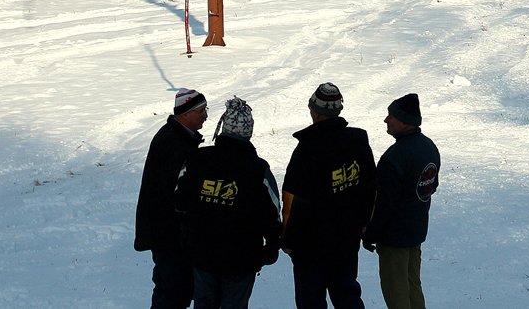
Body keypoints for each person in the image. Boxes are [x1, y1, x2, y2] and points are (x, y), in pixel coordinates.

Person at [176, 97, 283, 309]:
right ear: (248, 132)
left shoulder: (197, 160)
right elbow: (272, 212)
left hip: (202, 253)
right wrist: (272, 245)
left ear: (224, 128)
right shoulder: (258, 169)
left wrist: (187, 232)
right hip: (241, 259)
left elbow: (179, 199)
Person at [282, 83, 377, 309]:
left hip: (310, 243)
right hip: (347, 237)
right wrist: (365, 222)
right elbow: (371, 185)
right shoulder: (358, 141)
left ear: (314, 111)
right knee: (347, 294)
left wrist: (287, 239)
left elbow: (291, 199)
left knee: (311, 300)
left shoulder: (307, 149)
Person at [364, 94, 440, 309]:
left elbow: (383, 203)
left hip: (394, 238)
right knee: (413, 288)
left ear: (405, 121)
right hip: (415, 232)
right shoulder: (429, 147)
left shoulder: (395, 156)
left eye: (392, 116)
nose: (386, 120)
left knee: (396, 293)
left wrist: (371, 233)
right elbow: (430, 186)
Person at [136, 87, 208, 309]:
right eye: (202, 111)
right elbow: (176, 194)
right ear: (185, 114)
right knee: (174, 291)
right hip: (168, 234)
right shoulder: (175, 144)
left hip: (166, 232)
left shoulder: (175, 136)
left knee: (171, 289)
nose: (206, 115)